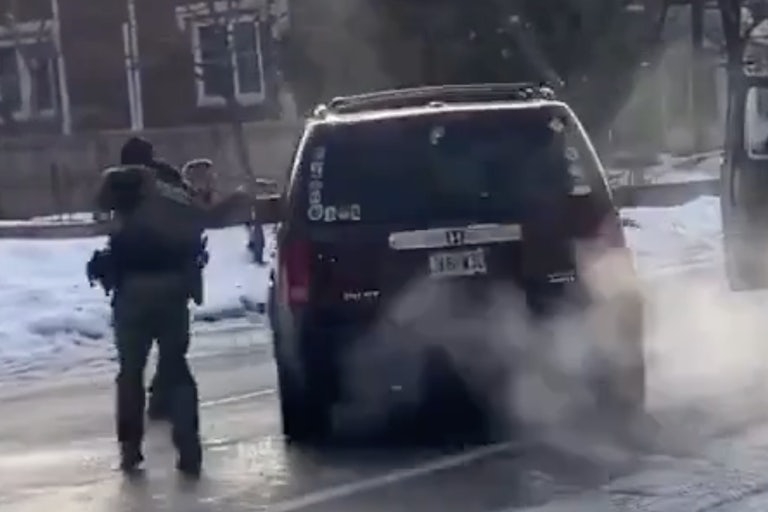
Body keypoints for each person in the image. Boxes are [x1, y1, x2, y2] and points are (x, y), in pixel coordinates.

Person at [92, 161, 209, 477]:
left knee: (130, 373)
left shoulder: (119, 199)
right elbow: (200, 220)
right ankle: (188, 447)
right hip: (172, 290)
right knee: (175, 366)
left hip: (131, 293)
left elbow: (102, 221)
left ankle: (130, 449)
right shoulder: (171, 202)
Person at [119, 137, 188, 421]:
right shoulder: (167, 182)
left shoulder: (119, 183)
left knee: (131, 365)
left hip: (133, 284)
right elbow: (191, 211)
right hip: (170, 279)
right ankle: (184, 441)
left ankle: (130, 442)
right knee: (173, 352)